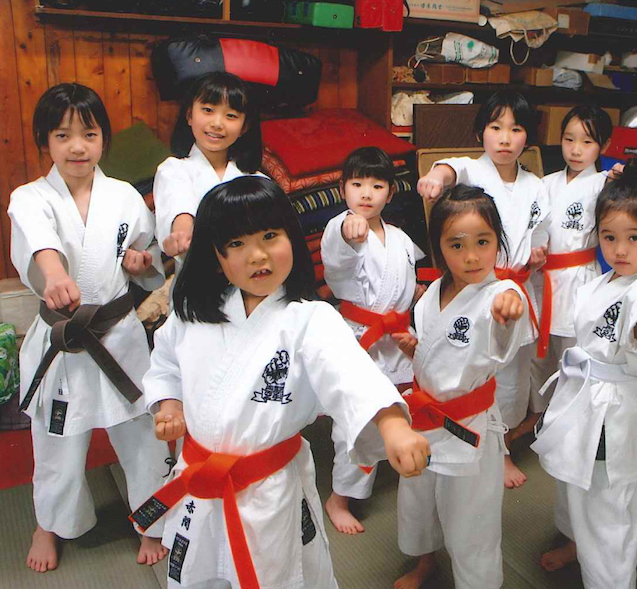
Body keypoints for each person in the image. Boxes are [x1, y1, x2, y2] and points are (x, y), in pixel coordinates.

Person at [132, 176, 430, 589]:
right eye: (236, 243)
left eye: (270, 236)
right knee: (199, 574)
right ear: (216, 256)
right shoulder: (192, 315)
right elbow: (165, 363)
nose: (257, 255)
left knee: (275, 575)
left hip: (267, 491)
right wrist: (170, 405)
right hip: (200, 480)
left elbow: (351, 374)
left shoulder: (310, 319)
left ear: (291, 236)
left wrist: (393, 425)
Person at [8, 83, 171, 573]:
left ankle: (151, 520)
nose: (77, 146)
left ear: (104, 139)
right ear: (45, 140)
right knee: (56, 440)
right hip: (63, 340)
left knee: (141, 432)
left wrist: (142, 262)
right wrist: (54, 274)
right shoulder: (28, 198)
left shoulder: (123, 196)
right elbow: (40, 244)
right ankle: (50, 524)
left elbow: (147, 255)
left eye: (89, 134)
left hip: (118, 334)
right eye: (63, 135)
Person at [530, 158, 637, 589]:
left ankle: (611, 581)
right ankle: (574, 543)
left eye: (633, 238)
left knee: (606, 500)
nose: (619, 250)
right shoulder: (604, 282)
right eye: (609, 237)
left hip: (612, 410)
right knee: (573, 480)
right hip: (584, 394)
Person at [393, 184, 528, 589]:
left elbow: (504, 322)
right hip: (423, 422)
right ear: (439, 248)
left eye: (483, 242)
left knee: (471, 520)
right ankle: (426, 562)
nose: (471, 256)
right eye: (457, 245)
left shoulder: (499, 294)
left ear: (498, 242)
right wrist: (416, 349)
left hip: (466, 427)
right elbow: (442, 352)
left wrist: (509, 309)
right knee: (418, 502)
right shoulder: (434, 292)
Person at [416, 91, 549, 489]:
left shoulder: (536, 186)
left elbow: (540, 234)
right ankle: (469, 443)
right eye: (495, 127)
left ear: (528, 137)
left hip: (516, 287)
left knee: (514, 377)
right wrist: (436, 177)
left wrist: (539, 253)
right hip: (475, 285)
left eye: (516, 129)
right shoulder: (472, 170)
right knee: (477, 369)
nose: (505, 138)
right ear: (480, 133)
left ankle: (502, 447)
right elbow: (449, 169)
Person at [320, 147, 426, 534]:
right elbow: (339, 255)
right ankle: (340, 498)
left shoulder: (399, 238)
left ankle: (399, 464)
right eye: (357, 184)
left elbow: (407, 281)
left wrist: (415, 299)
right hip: (359, 339)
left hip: (397, 339)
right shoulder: (343, 228)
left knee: (403, 409)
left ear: (391, 192)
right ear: (343, 189)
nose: (366, 193)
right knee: (357, 420)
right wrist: (348, 228)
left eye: (377, 185)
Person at [523, 105, 615, 440]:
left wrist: (622, 179)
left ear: (603, 146)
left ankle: (572, 425)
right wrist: (534, 250)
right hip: (542, 277)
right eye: (569, 139)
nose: (576, 150)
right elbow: (532, 227)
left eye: (587, 142)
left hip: (579, 279)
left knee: (574, 352)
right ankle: (539, 417)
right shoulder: (545, 183)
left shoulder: (605, 184)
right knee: (538, 355)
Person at [153, 71, 263, 264]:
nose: (217, 124)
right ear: (189, 115)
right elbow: (179, 204)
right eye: (208, 110)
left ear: (244, 127)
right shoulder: (173, 170)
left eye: (231, 115)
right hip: (197, 275)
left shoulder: (258, 180)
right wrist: (182, 233)